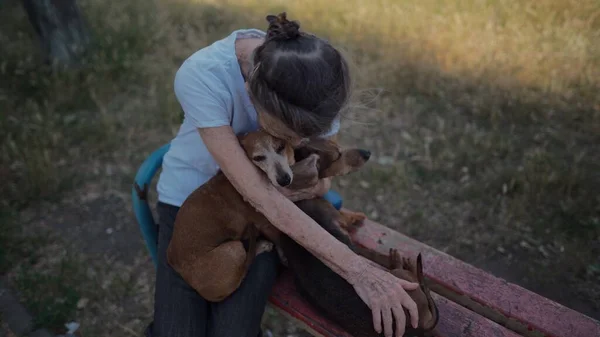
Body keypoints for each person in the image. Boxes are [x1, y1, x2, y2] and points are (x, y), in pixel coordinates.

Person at [146, 12, 419, 337]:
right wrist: (361, 272)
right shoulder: (203, 77)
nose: (303, 143)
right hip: (192, 202)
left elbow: (320, 174)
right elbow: (262, 196)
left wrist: (316, 183)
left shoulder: (313, 78)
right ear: (255, 100)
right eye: (293, 134)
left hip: (262, 224)